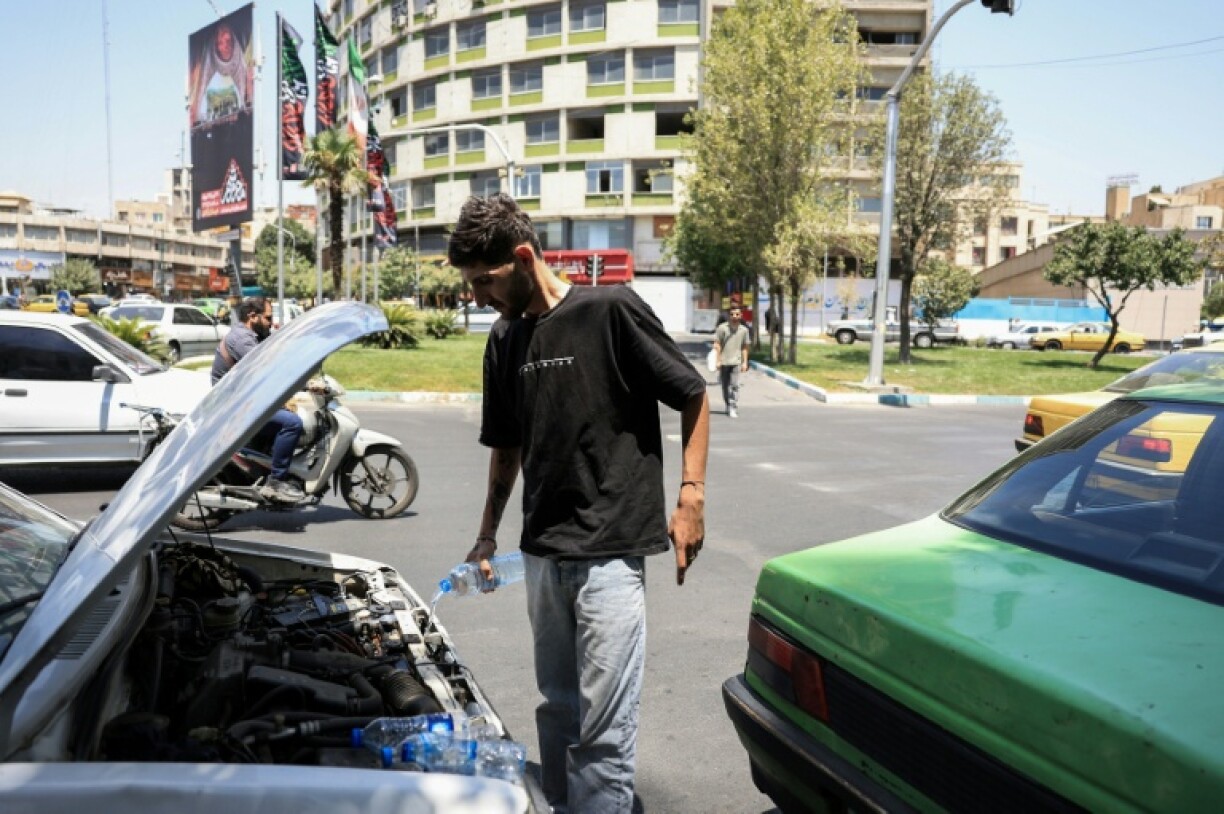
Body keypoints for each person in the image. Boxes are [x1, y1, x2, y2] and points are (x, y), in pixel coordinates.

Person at [448, 193, 709, 814]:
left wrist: (691, 496)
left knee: (605, 733)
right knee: (557, 709)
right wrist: (487, 536)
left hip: (610, 555)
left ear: (521, 256)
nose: (478, 296)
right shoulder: (504, 340)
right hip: (542, 554)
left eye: (484, 281)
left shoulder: (610, 310)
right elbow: (506, 445)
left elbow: (693, 394)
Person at [210, 296, 305, 503]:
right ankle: (276, 481)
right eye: (268, 318)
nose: (271, 323)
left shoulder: (251, 335)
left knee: (283, 420)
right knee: (292, 424)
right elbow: (266, 368)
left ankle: (263, 469)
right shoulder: (242, 340)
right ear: (252, 316)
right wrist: (304, 383)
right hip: (234, 407)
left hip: (243, 402)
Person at [713, 305, 750, 418]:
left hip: (736, 362)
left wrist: (745, 362)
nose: (734, 316)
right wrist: (718, 360)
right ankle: (728, 404)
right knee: (725, 386)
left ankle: (733, 406)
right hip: (724, 361)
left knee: (734, 385)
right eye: (732, 314)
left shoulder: (744, 330)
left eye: (737, 314)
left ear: (741, 315)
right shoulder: (722, 328)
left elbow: (745, 347)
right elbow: (717, 344)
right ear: (729, 315)